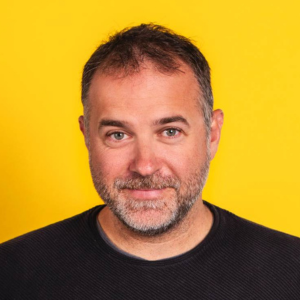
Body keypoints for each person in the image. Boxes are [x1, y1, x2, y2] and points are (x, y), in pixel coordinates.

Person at [1, 23, 299, 299]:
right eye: (118, 135)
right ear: (87, 137)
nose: (144, 166)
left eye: (170, 131)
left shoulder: (290, 272)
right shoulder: (12, 273)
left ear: (212, 134)